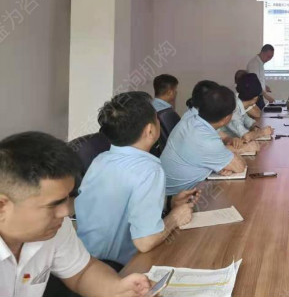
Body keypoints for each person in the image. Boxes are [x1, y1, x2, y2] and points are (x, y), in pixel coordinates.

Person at [0, 132, 151, 297]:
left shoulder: (54, 226)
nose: (66, 211)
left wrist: (116, 288)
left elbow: (82, 272)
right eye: (54, 204)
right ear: (2, 206)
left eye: (67, 198)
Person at [75, 92, 196, 268]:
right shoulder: (149, 170)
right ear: (150, 130)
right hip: (117, 268)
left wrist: (170, 203)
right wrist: (175, 217)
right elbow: (145, 242)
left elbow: (121, 203)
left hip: (85, 259)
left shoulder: (100, 159)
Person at [161, 81, 254, 195]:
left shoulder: (193, 119)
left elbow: (215, 148)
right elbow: (240, 166)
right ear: (226, 118)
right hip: (178, 198)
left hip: (180, 189)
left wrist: (220, 162)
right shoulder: (205, 139)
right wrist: (227, 158)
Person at [223, 73, 273, 141]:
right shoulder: (233, 108)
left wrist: (255, 128)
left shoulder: (239, 102)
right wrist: (262, 132)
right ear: (255, 98)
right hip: (225, 144)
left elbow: (247, 121)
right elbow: (245, 137)